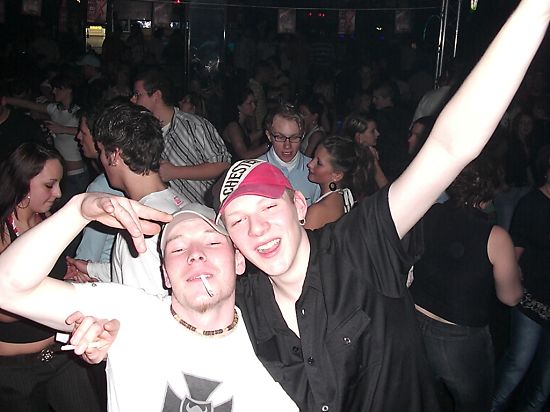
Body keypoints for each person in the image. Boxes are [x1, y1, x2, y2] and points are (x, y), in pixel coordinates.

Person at [73, 1, 550, 410]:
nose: (257, 228)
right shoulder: (244, 301)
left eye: (267, 208)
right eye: (237, 220)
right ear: (231, 243)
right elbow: (174, 320)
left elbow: (450, 145)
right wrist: (118, 335)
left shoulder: (359, 243)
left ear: (299, 204)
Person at [0, 197, 299, 412]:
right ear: (165, 274)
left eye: (212, 242)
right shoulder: (129, 312)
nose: (195, 254)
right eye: (178, 248)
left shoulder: (275, 344)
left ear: (238, 261)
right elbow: (7, 289)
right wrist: (79, 209)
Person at [409, 152, 523, 412]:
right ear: (492, 188)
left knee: (419, 400)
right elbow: (510, 297)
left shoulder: (430, 211)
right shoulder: (496, 237)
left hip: (412, 320)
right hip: (458, 339)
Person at [0, 143, 101, 412]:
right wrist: (58, 292)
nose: (58, 193)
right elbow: (4, 309)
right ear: (22, 182)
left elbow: (52, 271)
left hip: (60, 353)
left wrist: (70, 275)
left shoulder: (45, 218)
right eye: (49, 185)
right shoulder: (2, 230)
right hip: (13, 371)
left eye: (59, 184)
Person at [68, 102, 185, 298]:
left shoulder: (137, 227)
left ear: (114, 155)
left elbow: (138, 303)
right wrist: (89, 268)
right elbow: (145, 271)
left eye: (101, 151)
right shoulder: (177, 200)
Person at [492, 145, 550, 412]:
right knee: (518, 363)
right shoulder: (531, 203)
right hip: (532, 298)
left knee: (546, 382)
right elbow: (513, 257)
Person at [130, 68, 231, 204]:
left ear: (156, 95)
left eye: (137, 94)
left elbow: (223, 165)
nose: (133, 99)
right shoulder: (143, 132)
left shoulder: (194, 125)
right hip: (170, 211)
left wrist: (175, 172)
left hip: (205, 210)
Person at [2, 73, 89, 203]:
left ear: (68, 89)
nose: (53, 91)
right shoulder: (55, 109)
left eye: (57, 88)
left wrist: (63, 129)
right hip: (60, 174)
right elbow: (29, 104)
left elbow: (90, 131)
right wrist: (6, 100)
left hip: (77, 174)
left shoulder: (79, 112)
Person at [65, 102, 124, 282]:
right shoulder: (119, 178)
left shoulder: (101, 188)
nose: (78, 137)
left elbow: (89, 255)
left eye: (83, 132)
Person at [306, 135, 373, 229]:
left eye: (319, 163)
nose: (310, 164)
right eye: (313, 157)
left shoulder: (317, 211)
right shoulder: (342, 199)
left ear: (337, 175)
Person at [259, 103, 320, 206]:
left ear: (303, 135)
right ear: (269, 136)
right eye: (280, 137)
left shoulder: (315, 170)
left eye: (294, 137)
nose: (287, 145)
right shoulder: (255, 170)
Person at [343, 112, 388, 191]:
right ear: (358, 137)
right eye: (372, 131)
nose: (378, 134)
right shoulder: (354, 163)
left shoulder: (370, 152)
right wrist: (374, 163)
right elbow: (385, 190)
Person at [222, 87, 269, 161]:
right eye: (249, 103)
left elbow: (251, 140)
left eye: (254, 102)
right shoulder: (233, 127)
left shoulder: (244, 122)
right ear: (239, 107)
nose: (254, 106)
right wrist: (269, 145)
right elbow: (244, 155)